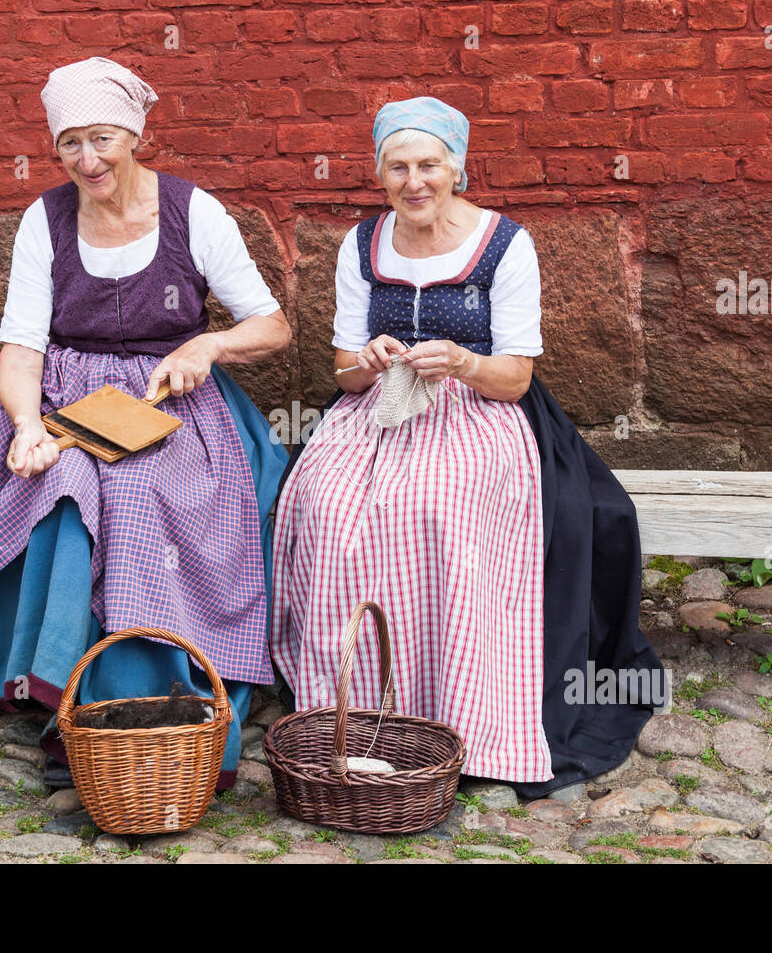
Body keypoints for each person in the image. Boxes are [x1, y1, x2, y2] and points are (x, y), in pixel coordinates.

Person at [269, 97, 664, 798]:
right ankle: (350, 718)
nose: (414, 181)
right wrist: (370, 358)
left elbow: (515, 377)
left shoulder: (505, 242)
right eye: (398, 166)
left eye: (429, 165)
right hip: (377, 411)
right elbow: (340, 371)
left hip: (478, 410)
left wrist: (461, 363)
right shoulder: (361, 245)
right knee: (326, 509)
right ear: (380, 171)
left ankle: (456, 715)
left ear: (456, 166)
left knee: (438, 506)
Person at [0, 57, 291, 790]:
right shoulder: (45, 220)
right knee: (59, 478)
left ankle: (155, 699)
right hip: (65, 395)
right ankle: (66, 694)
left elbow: (272, 325)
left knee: (140, 492)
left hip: (170, 400)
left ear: (135, 134)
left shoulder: (194, 212)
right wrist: (28, 424)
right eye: (70, 145)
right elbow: (22, 346)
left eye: (102, 139)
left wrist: (209, 343)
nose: (88, 160)